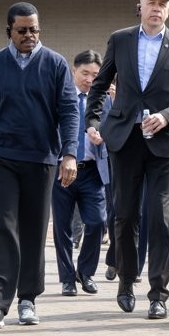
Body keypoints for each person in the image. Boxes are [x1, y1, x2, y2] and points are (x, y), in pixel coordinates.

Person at [85, 0, 169, 320]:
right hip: (124, 138)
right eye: (151, 2)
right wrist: (93, 120)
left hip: (163, 144)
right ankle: (126, 283)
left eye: (162, 4)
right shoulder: (120, 39)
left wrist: (167, 117)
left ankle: (158, 293)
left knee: (161, 218)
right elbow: (99, 83)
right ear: (140, 7)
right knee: (124, 215)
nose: (156, 8)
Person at [0, 2, 79, 330]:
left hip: (41, 159)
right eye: (22, 30)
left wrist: (69, 153)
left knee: (34, 230)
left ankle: (28, 299)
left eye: (34, 30)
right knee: (2, 227)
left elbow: (70, 111)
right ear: (9, 32)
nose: (29, 35)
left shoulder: (55, 64)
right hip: (0, 157)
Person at [53, 50, 111, 297]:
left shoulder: (105, 100)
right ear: (73, 71)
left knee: (97, 223)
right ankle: (67, 279)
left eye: (95, 75)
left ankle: (85, 272)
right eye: (84, 73)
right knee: (62, 227)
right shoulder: (59, 97)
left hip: (92, 172)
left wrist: (104, 138)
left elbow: (115, 131)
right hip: (61, 171)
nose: (89, 79)